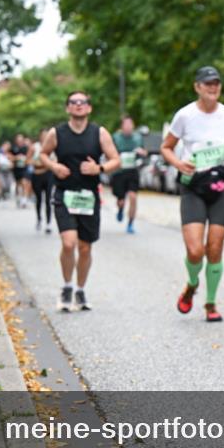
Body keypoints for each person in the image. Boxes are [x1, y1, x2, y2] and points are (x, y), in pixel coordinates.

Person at [161, 66, 224, 323]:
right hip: (193, 185)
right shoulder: (185, 116)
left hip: (221, 185)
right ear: (197, 86)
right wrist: (178, 163)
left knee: (215, 246)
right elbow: (166, 147)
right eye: (207, 83)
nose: (213, 88)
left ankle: (210, 303)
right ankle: (191, 283)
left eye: (217, 83)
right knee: (195, 250)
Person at [40, 91, 120, 312]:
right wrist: (54, 166)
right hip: (64, 194)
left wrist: (99, 168)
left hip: (88, 196)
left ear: (89, 108)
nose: (78, 106)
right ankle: (66, 286)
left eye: (82, 102)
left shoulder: (99, 133)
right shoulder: (57, 133)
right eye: (73, 103)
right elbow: (43, 154)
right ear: (67, 108)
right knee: (69, 243)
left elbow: (116, 159)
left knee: (85, 248)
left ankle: (80, 289)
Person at [112, 116, 148, 234]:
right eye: (125, 124)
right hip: (119, 172)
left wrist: (141, 152)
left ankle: (130, 224)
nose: (128, 127)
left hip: (132, 171)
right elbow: (109, 152)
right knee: (121, 200)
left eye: (130, 124)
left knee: (133, 197)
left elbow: (145, 152)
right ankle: (120, 208)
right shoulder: (116, 138)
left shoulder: (138, 138)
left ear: (133, 126)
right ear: (122, 126)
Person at [28, 128, 54, 234]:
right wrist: (36, 163)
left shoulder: (53, 146)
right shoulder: (35, 147)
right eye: (43, 135)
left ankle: (48, 223)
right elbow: (27, 160)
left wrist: (49, 164)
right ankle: (39, 219)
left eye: (47, 135)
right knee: (39, 199)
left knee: (48, 199)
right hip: (37, 175)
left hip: (48, 175)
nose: (45, 137)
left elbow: (56, 160)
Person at [10, 133, 31, 207]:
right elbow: (9, 157)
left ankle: (24, 200)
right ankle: (18, 198)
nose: (20, 141)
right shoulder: (13, 148)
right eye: (18, 140)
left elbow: (29, 156)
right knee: (18, 184)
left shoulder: (26, 148)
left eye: (21, 140)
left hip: (24, 168)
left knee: (24, 183)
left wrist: (25, 159)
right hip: (16, 169)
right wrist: (16, 158)